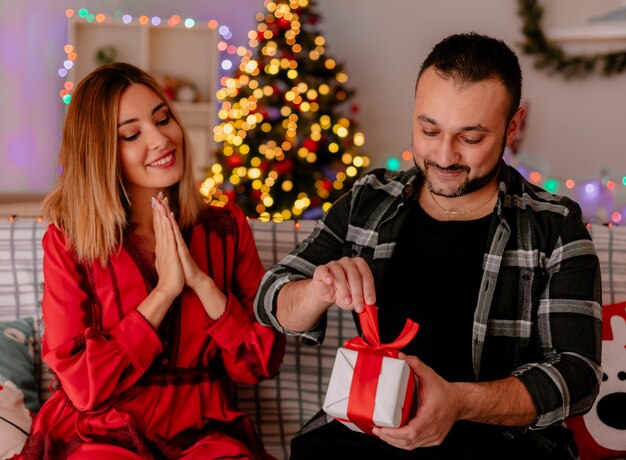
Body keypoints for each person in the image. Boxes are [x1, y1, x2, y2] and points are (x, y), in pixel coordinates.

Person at [254, 32, 602, 459]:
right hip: (365, 437)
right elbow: (270, 297)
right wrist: (317, 289)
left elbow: (577, 375)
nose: (444, 155)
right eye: (429, 129)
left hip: (500, 446)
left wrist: (459, 403)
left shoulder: (555, 226)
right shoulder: (370, 199)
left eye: (470, 138)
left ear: (513, 126)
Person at [20, 62, 286, 460]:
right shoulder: (69, 241)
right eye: (132, 133)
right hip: (101, 432)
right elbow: (81, 384)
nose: (161, 139)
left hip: (203, 431)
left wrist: (202, 283)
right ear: (101, 153)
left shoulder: (226, 228)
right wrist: (163, 293)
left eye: (163, 119)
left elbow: (257, 364)